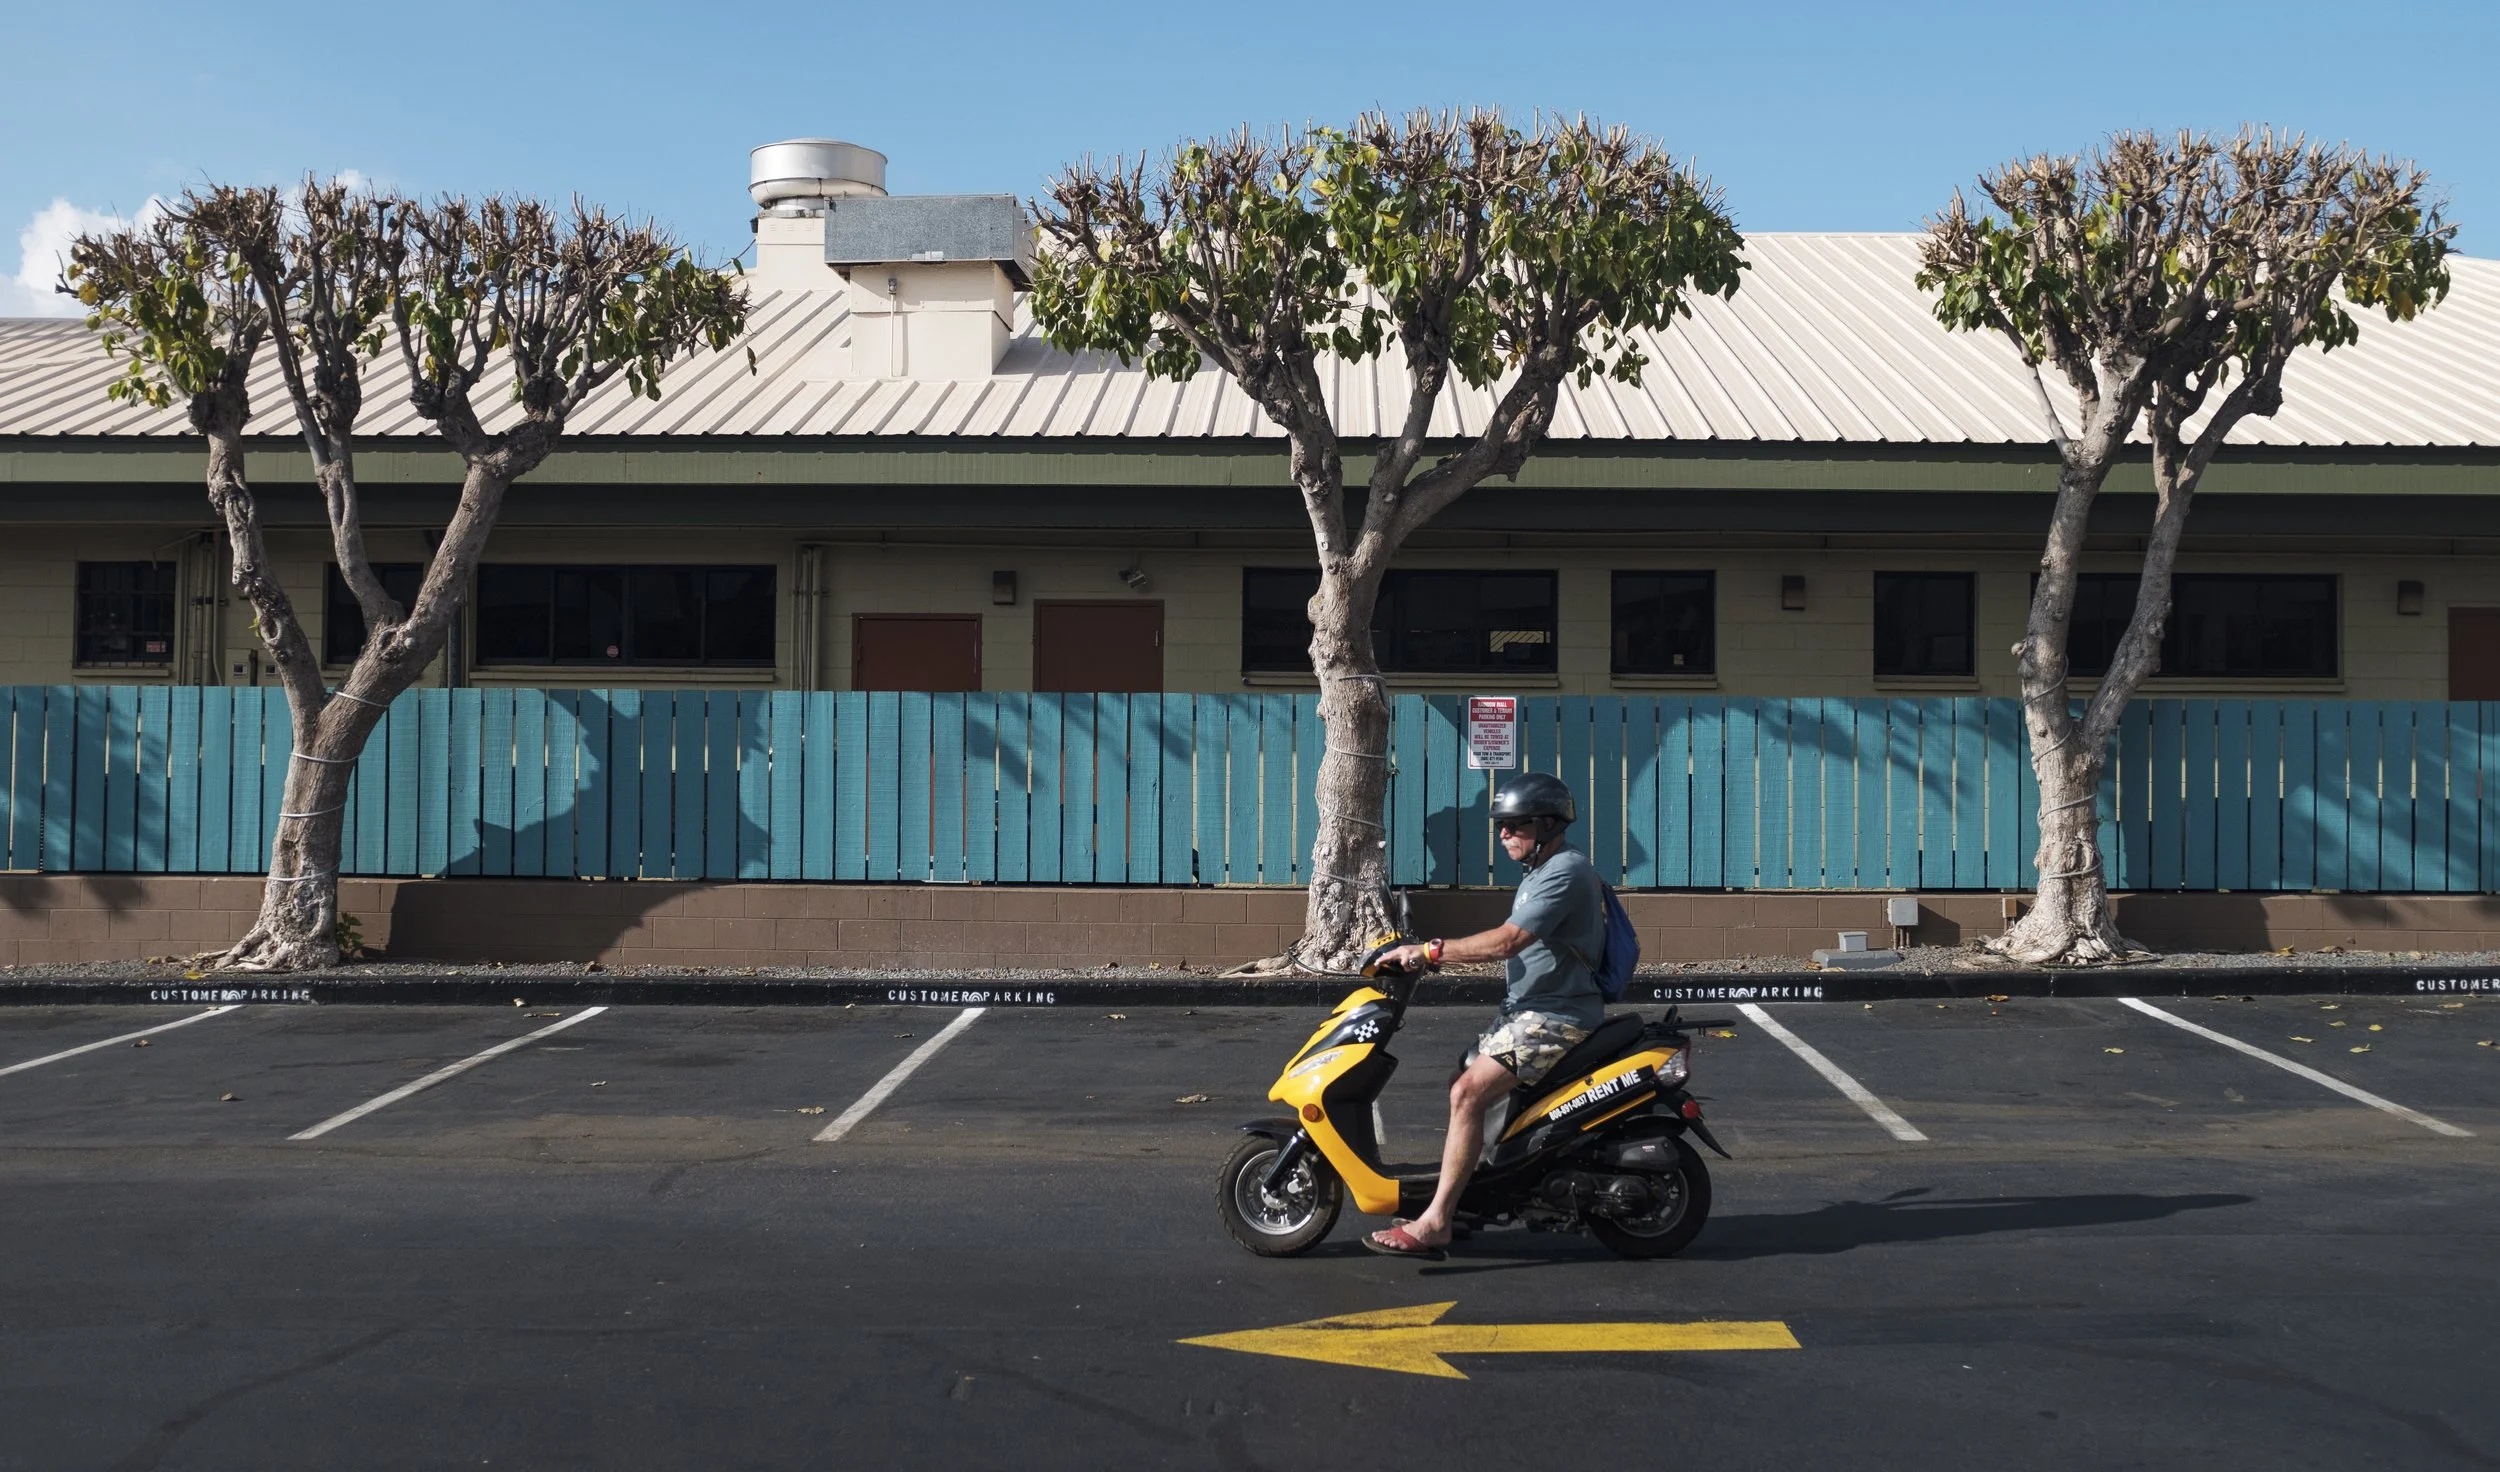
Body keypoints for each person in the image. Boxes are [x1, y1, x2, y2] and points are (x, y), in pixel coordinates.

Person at [1364, 771, 1606, 1260]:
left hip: (1555, 1015)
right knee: (1464, 1072)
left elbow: (1507, 941)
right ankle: (1470, 1199)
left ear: (1545, 824)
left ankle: (1436, 1223)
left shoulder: (1565, 872)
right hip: (1530, 1009)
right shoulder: (1542, 871)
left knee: (1467, 1092)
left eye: (1514, 825)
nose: (1503, 835)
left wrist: (1430, 953)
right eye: (1502, 825)